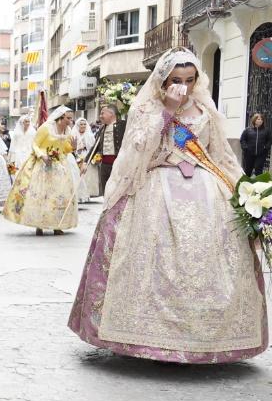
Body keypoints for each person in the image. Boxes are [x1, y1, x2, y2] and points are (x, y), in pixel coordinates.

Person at [69, 47, 268, 363]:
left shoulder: (205, 110)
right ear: (163, 80)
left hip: (206, 189)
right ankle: (141, 335)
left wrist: (245, 191)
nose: (183, 87)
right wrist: (168, 111)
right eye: (177, 79)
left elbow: (220, 154)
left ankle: (211, 337)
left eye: (190, 80)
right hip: (156, 187)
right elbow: (137, 151)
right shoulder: (146, 110)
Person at [2, 106, 78, 235]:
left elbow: (65, 149)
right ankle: (39, 225)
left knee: (59, 195)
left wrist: (73, 147)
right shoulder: (46, 127)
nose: (70, 121)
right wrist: (42, 155)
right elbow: (35, 144)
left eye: (71, 118)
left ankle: (57, 225)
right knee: (40, 194)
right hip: (41, 163)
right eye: (68, 118)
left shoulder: (68, 130)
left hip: (59, 164)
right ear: (60, 117)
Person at [95, 103, 126, 196]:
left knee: (116, 191)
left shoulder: (123, 125)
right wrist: (85, 162)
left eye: (102, 113)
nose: (100, 116)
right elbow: (95, 146)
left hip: (118, 164)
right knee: (105, 190)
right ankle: (106, 209)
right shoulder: (102, 129)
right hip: (104, 165)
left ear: (111, 114)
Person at [73, 117, 97, 202]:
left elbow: (93, 147)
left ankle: (87, 194)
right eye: (81, 124)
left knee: (87, 175)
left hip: (87, 155)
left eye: (84, 124)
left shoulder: (89, 135)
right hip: (76, 156)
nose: (82, 126)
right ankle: (79, 194)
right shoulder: (74, 134)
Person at [240, 113, 270, 177]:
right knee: (248, 170)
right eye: (258, 119)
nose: (260, 120)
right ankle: (246, 184)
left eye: (262, 119)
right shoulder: (247, 130)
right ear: (254, 120)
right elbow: (242, 139)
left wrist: (266, 148)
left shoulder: (266, 130)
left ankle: (258, 185)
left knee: (258, 170)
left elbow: (269, 140)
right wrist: (245, 148)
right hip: (249, 154)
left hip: (261, 154)